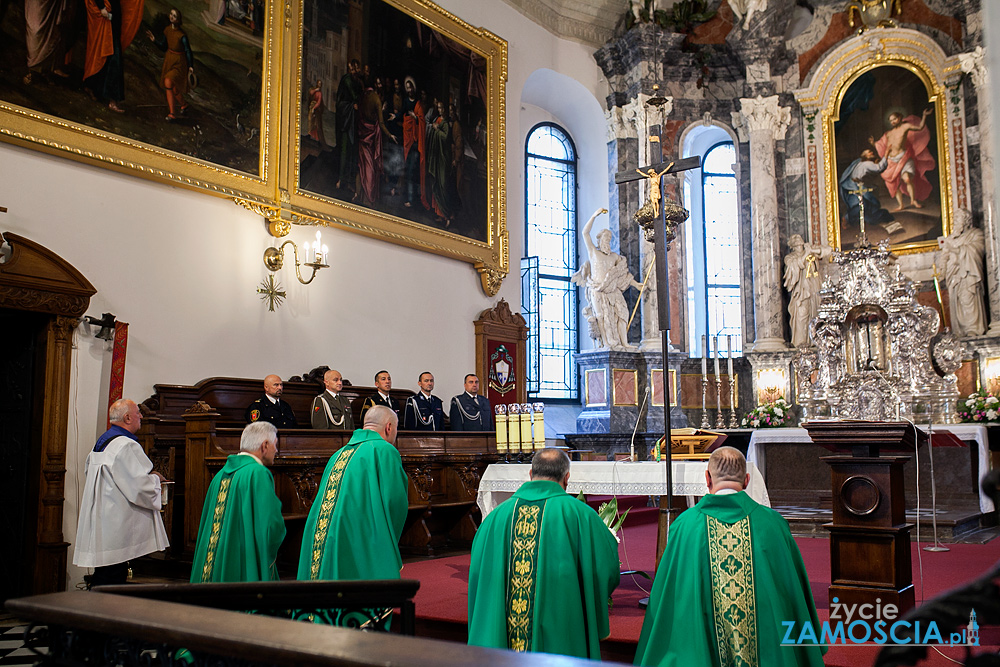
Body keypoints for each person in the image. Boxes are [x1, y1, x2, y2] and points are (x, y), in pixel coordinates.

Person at [635, 447, 826, 667]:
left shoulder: (685, 526)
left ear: (707, 478)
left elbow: (666, 600)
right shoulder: (773, 524)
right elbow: (793, 593)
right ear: (746, 480)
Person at [467, 448, 619, 658]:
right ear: (567, 478)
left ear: (530, 474)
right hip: (562, 638)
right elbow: (606, 568)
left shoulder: (494, 519)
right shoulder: (580, 516)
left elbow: (476, 576)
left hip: (500, 645)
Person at [298, 405, 408, 584]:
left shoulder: (339, 453)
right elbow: (395, 502)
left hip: (323, 535)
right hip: (359, 535)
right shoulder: (384, 450)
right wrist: (388, 541)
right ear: (389, 427)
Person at [73, 399, 169, 586]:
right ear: (127, 418)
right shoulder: (126, 445)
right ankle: (105, 612)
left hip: (103, 518)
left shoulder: (103, 442)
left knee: (105, 572)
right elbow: (140, 487)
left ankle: (95, 610)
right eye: (137, 413)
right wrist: (156, 479)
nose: (141, 416)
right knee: (113, 576)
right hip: (118, 520)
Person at [190, 422, 285, 582]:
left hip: (216, 560)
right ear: (265, 445)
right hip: (243, 560)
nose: (276, 450)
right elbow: (271, 525)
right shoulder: (258, 473)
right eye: (275, 445)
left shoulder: (220, 475)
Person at [576, 207, 643, 351]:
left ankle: (623, 343)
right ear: (599, 240)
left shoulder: (615, 257)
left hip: (613, 290)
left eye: (609, 238)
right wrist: (594, 215)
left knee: (622, 313)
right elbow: (585, 233)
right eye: (606, 238)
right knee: (601, 316)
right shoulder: (593, 252)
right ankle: (606, 343)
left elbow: (622, 275)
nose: (608, 241)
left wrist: (636, 285)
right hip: (597, 290)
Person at [869, 108, 935, 211]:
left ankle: (913, 200)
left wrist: (924, 115)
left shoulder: (905, 127)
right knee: (895, 185)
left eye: (894, 119)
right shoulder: (888, 133)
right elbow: (881, 145)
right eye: (891, 120)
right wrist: (874, 143)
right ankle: (901, 205)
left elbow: (920, 127)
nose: (893, 122)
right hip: (891, 160)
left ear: (900, 118)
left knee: (907, 179)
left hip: (904, 157)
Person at [83, 0, 142, 113]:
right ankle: (112, 100)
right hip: (105, 15)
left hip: (113, 18)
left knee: (109, 56)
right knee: (112, 57)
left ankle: (92, 87)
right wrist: (101, 7)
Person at [939, 208, 987, 336]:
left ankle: (973, 328)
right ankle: (959, 330)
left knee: (968, 298)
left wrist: (955, 250)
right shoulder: (950, 239)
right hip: (954, 275)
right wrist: (942, 270)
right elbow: (944, 256)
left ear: (966, 221)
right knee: (956, 300)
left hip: (968, 274)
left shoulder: (976, 234)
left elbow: (976, 250)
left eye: (958, 220)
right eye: (955, 220)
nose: (956, 223)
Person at [146, 8, 194, 122]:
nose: (172, 17)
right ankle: (184, 105)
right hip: (169, 59)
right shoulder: (167, 30)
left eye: (175, 16)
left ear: (178, 20)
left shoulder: (182, 35)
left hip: (180, 62)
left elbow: (188, 51)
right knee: (174, 87)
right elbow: (164, 47)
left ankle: (172, 113)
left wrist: (191, 66)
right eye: (171, 14)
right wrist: (154, 40)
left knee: (168, 81)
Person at [783, 234, 829, 348]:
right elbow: (796, 265)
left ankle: (815, 343)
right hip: (801, 292)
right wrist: (806, 253)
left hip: (814, 289)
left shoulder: (811, 252)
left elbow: (828, 250)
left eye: (799, 237)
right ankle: (800, 346)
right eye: (794, 238)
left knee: (815, 315)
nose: (798, 238)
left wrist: (811, 250)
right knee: (801, 316)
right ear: (792, 245)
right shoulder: (790, 257)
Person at [838, 148, 894, 229]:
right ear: (865, 156)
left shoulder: (859, 163)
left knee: (866, 207)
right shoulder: (866, 164)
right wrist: (886, 153)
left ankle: (850, 219)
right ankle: (847, 218)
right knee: (865, 206)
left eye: (871, 151)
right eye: (869, 152)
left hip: (852, 187)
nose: (871, 152)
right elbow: (879, 168)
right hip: (857, 188)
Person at [335, 59, 362, 191]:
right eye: (353, 69)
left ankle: (350, 181)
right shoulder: (347, 80)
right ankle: (341, 179)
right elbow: (353, 95)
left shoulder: (357, 81)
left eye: (356, 69)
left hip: (353, 119)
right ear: (349, 69)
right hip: (346, 119)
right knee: (345, 151)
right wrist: (353, 105)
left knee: (352, 152)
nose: (355, 71)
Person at [306, 78, 327, 147]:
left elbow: (319, 102)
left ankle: (318, 139)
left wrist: (314, 108)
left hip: (316, 110)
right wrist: (315, 90)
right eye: (319, 83)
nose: (319, 85)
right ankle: (309, 134)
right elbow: (310, 92)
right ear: (317, 84)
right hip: (311, 107)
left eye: (320, 84)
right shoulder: (314, 90)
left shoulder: (320, 93)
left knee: (316, 124)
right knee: (310, 121)